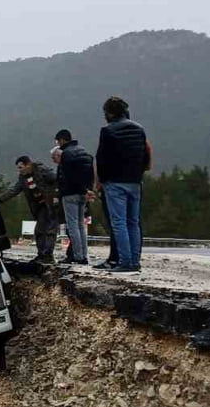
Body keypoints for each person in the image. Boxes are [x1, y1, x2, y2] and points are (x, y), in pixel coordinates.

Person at [95, 96, 151, 274]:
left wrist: (102, 181)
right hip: (135, 181)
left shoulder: (108, 131)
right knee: (133, 222)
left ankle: (125, 261)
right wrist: (139, 174)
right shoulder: (139, 129)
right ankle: (135, 261)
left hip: (115, 182)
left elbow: (102, 158)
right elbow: (144, 154)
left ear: (108, 113)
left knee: (118, 223)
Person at [0, 155, 60, 263]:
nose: (19, 170)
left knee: (48, 230)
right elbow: (14, 190)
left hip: (49, 204)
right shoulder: (23, 178)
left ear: (28, 165)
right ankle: (42, 254)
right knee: (39, 230)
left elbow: (56, 180)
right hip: (38, 206)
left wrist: (56, 196)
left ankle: (47, 255)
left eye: (21, 167)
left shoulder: (42, 171)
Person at [54, 129, 94, 265]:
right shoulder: (84, 152)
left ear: (62, 140)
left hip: (70, 192)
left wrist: (61, 190)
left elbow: (66, 175)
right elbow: (90, 172)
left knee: (73, 226)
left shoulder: (66, 154)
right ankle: (84, 254)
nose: (58, 144)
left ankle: (78, 256)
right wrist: (88, 189)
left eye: (58, 141)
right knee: (81, 225)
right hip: (83, 192)